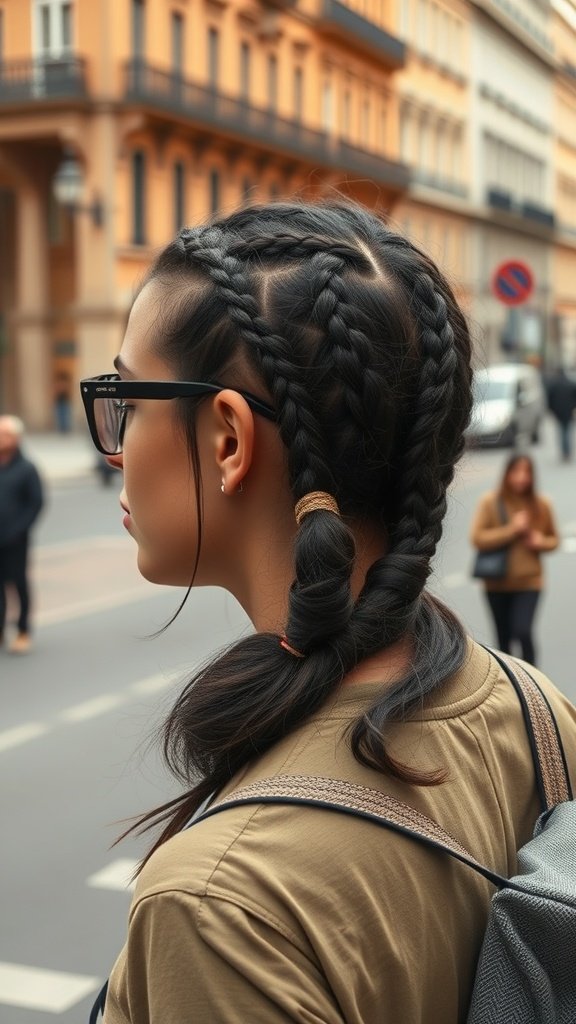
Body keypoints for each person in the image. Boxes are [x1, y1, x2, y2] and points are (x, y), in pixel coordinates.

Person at [81, 202, 576, 1023]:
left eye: (128, 398)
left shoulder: (218, 907)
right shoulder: (534, 711)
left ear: (229, 441)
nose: (117, 446)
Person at [470, 453, 558, 666]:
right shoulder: (490, 502)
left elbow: (553, 539)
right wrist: (512, 529)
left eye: (526, 472)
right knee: (503, 639)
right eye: (516, 471)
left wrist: (540, 541)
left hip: (529, 582)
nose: (521, 477)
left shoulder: (541, 504)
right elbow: (477, 538)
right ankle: (509, 687)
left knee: (523, 631)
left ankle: (534, 681)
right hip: (496, 583)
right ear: (506, 474)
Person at [0, 415, 44, 654]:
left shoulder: (26, 469)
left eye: (5, 434)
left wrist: (19, 529)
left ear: (16, 438)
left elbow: (35, 503)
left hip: (16, 540)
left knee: (18, 584)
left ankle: (23, 630)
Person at [546, 366, 576, 461]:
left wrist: (552, 410)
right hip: (568, 411)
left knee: (562, 431)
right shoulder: (570, 383)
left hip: (558, 412)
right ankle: (567, 451)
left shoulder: (554, 384)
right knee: (566, 431)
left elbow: (549, 399)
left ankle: (564, 451)